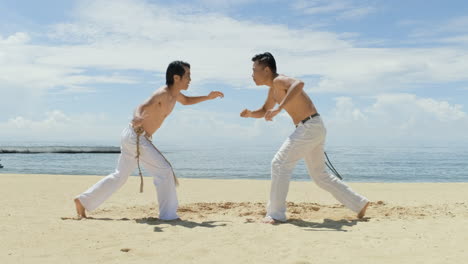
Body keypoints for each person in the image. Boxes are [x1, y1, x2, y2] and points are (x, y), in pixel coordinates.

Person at [74, 61, 224, 220]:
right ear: (176, 77)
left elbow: (186, 101)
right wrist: (137, 116)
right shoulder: (162, 93)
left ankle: (83, 201)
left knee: (120, 176)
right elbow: (141, 106)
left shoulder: (175, 95)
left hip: (133, 137)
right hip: (136, 136)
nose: (190, 79)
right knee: (164, 170)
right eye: (187, 76)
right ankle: (168, 216)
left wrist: (208, 97)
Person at [240, 52, 369, 224]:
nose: (252, 74)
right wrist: (250, 114)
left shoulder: (279, 81)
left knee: (279, 163)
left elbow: (299, 84)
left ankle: (275, 214)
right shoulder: (273, 90)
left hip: (309, 127)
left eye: (254, 70)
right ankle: (359, 203)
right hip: (313, 127)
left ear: (266, 70)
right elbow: (264, 110)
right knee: (320, 176)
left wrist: (279, 109)